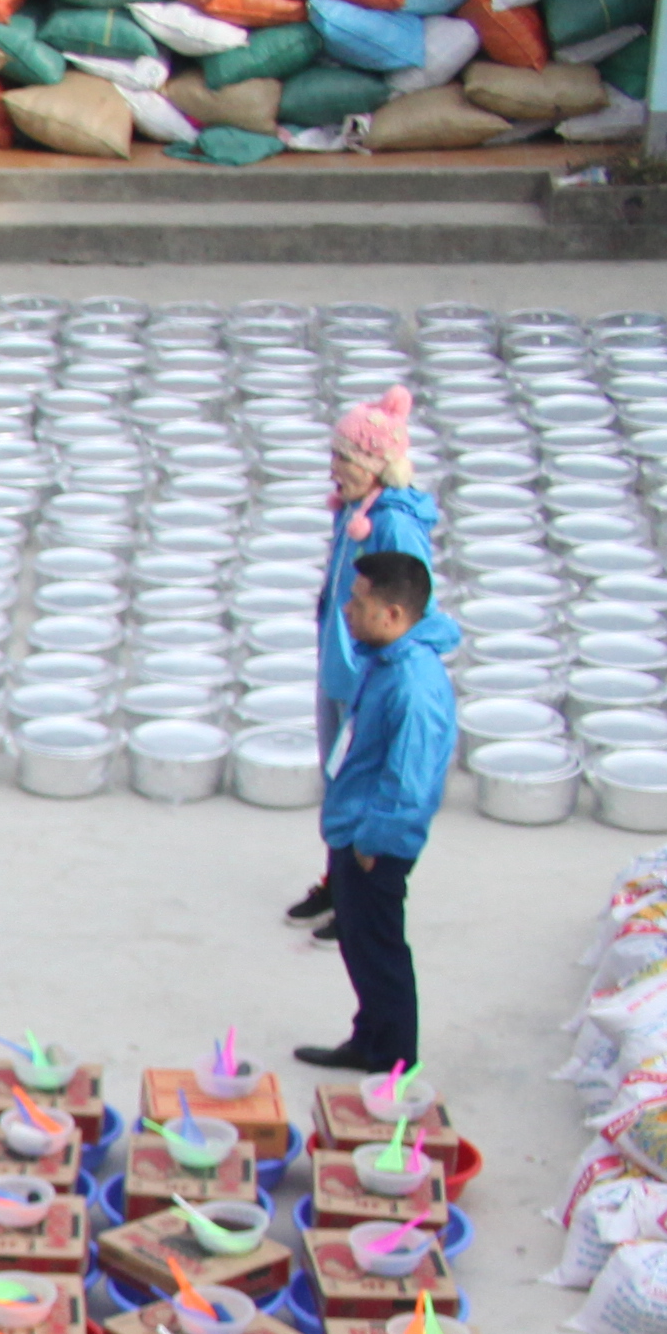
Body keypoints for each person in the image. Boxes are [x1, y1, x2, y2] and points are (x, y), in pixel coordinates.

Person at [303, 549, 457, 1075]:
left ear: (391, 615)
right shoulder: (389, 661)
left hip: (375, 841)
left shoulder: (413, 685)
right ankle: (369, 1038)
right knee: (364, 949)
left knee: (380, 950)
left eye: (358, 600)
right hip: (357, 826)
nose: (347, 608)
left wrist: (373, 842)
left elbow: (410, 781)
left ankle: (392, 1059)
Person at [293, 391, 438, 932]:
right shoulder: (355, 509)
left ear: (376, 464)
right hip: (340, 663)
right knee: (337, 777)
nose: (335, 470)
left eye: (345, 459)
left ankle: (357, 896)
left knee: (360, 780)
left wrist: (388, 665)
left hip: (365, 674)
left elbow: (416, 603)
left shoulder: (395, 525)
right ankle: (337, 881)